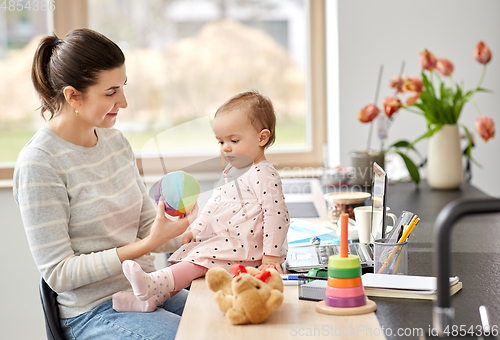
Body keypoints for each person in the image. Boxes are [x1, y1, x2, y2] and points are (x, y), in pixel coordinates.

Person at [13, 28, 198, 340]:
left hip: (150, 289)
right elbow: (59, 273)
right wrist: (148, 244)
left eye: (122, 87)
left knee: (224, 320)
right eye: (111, 93)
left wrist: (187, 232)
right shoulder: (40, 163)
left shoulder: (115, 141)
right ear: (73, 96)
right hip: (93, 312)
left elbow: (145, 225)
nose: (123, 102)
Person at [113, 90, 290, 313]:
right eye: (221, 141)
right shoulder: (232, 171)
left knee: (199, 258)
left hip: (247, 249)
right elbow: (215, 203)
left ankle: (154, 283)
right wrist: (196, 229)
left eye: (234, 140)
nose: (225, 147)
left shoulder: (263, 173)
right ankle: (152, 298)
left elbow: (277, 215)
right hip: (229, 241)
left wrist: (271, 257)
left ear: (262, 138)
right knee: (189, 251)